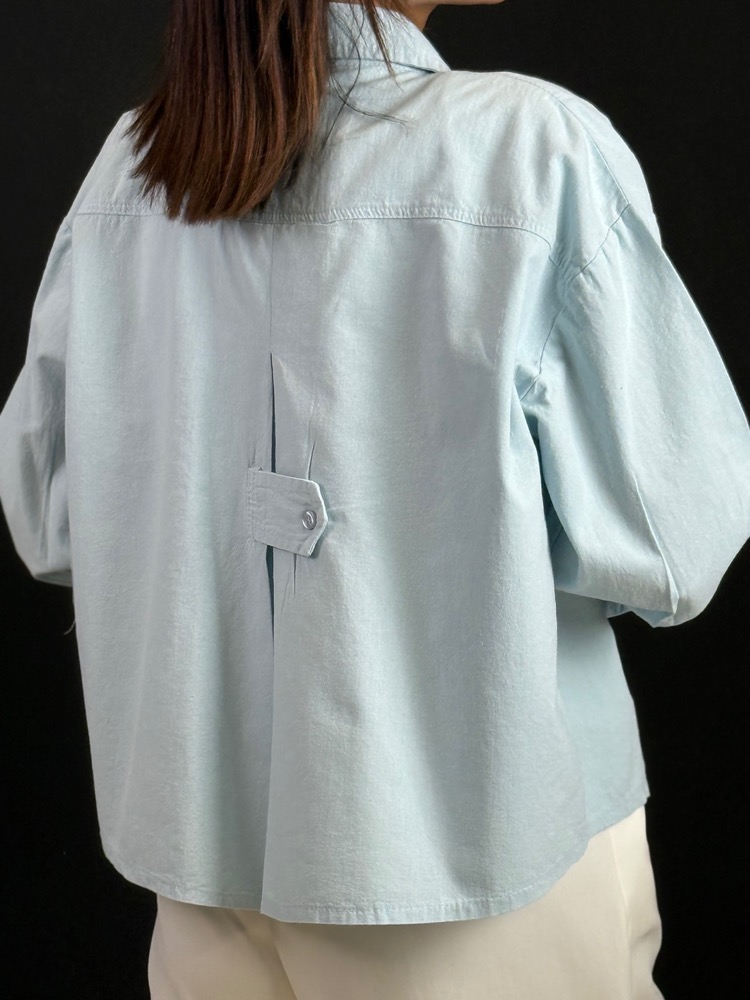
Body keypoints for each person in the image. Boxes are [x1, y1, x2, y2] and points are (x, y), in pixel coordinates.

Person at [1, 1, 749, 997]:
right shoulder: (531, 151)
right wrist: (460, 545)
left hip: (205, 871)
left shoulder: (129, 171)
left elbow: (50, 517)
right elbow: (678, 541)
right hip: (480, 860)